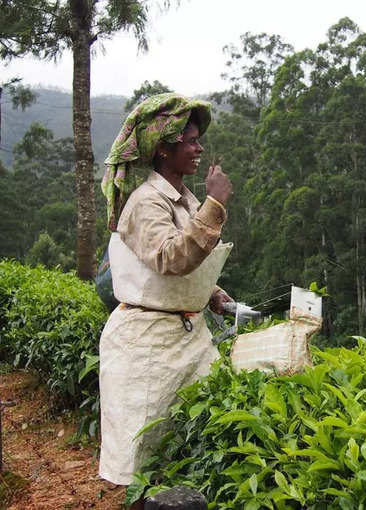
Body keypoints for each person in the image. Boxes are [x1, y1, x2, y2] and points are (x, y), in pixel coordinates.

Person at [98, 93, 233, 503]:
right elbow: (170, 257)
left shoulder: (184, 199)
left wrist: (210, 292)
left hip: (187, 335)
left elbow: (180, 268)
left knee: (198, 428)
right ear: (163, 149)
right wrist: (215, 204)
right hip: (147, 342)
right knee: (142, 453)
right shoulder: (146, 202)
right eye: (190, 140)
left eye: (198, 139)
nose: (199, 147)